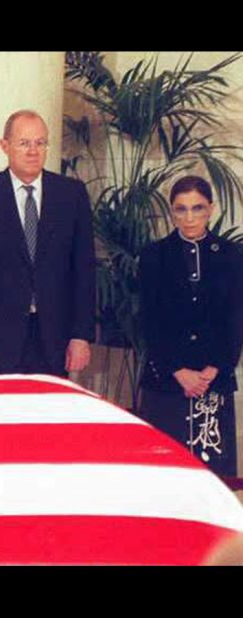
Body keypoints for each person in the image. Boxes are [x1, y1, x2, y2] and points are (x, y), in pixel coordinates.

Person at [0, 109, 96, 377]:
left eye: (40, 143)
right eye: (24, 143)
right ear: (4, 146)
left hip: (56, 337)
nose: (33, 151)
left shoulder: (71, 194)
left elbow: (84, 269)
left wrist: (81, 335)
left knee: (51, 415)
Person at [137, 175, 242, 477]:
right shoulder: (153, 256)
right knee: (166, 474)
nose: (189, 217)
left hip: (214, 378)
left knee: (212, 475)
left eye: (197, 208)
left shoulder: (233, 256)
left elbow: (235, 319)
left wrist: (213, 369)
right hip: (168, 379)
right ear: (172, 212)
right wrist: (179, 371)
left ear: (211, 209)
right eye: (180, 209)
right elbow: (150, 320)